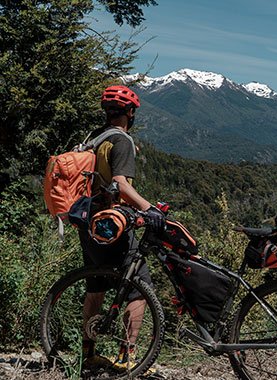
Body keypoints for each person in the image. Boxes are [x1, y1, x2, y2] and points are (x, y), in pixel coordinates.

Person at [80, 85, 164, 374]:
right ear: (130, 112)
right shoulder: (122, 140)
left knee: (96, 286)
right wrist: (148, 208)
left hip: (87, 221)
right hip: (110, 224)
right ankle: (128, 356)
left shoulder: (94, 137)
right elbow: (121, 184)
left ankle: (88, 354)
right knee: (138, 287)